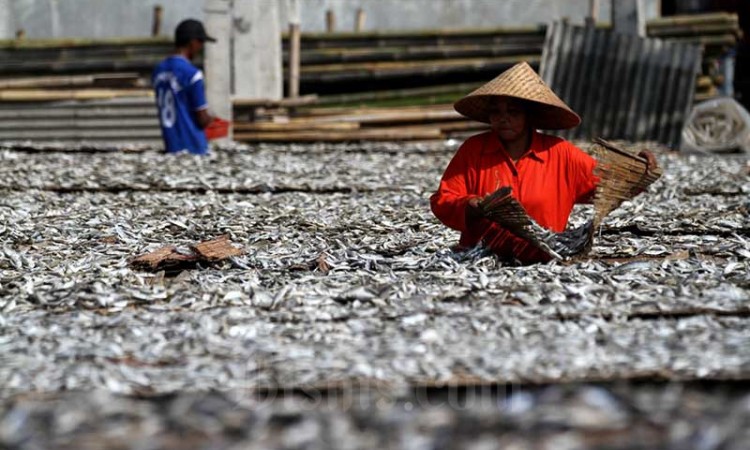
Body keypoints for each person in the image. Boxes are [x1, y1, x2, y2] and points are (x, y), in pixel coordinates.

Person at [430, 62, 657, 264]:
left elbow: (610, 185)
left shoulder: (560, 153)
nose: (503, 118)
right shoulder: (473, 150)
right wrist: (471, 205)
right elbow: (443, 199)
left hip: (544, 262)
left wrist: (639, 170)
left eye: (513, 111)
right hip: (480, 261)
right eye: (495, 111)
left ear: (529, 115)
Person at [152, 19, 216, 155]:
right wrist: (212, 119)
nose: (201, 47)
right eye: (201, 42)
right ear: (192, 42)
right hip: (193, 147)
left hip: (171, 146)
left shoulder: (158, 71)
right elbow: (202, 119)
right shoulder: (192, 74)